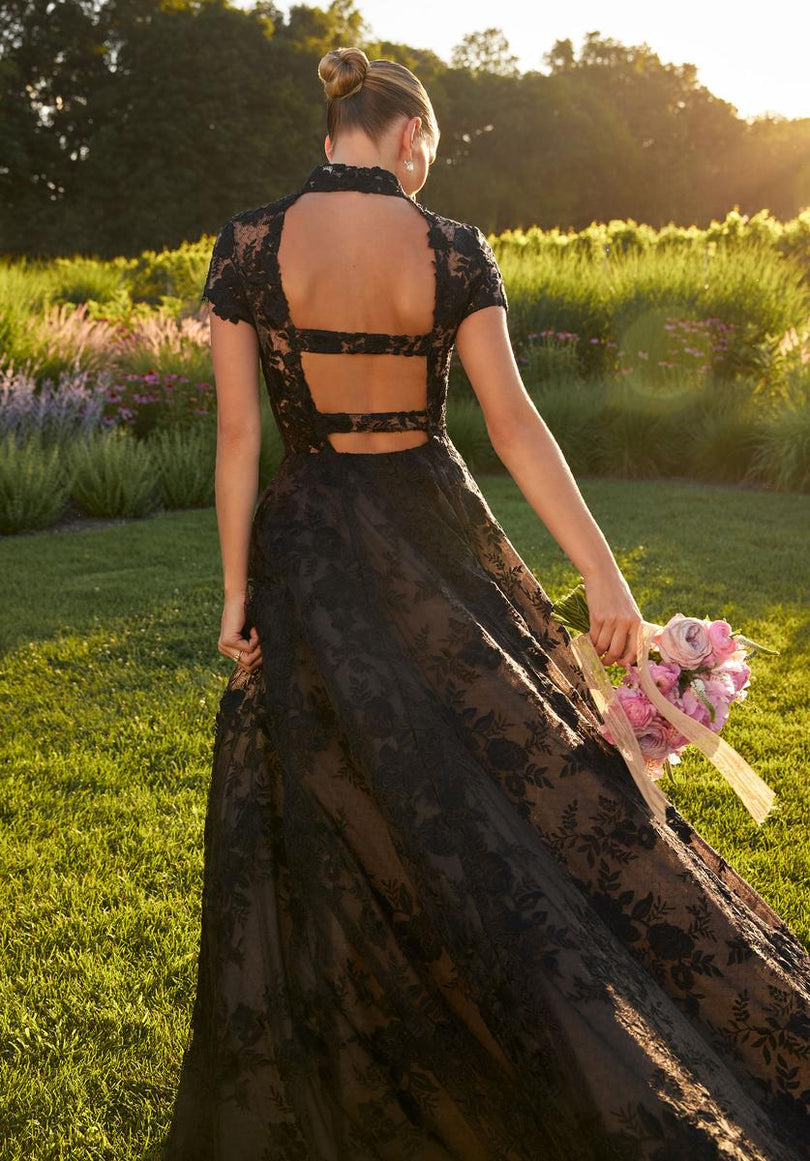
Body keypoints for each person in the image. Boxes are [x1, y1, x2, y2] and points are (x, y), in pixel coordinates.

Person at [164, 46, 809, 1161]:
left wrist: (233, 594)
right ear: (409, 134)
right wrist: (603, 574)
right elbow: (513, 425)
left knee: (339, 787)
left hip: (310, 543)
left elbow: (236, 435)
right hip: (433, 527)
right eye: (431, 148)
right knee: (506, 769)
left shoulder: (250, 242)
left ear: (333, 130)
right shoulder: (452, 246)